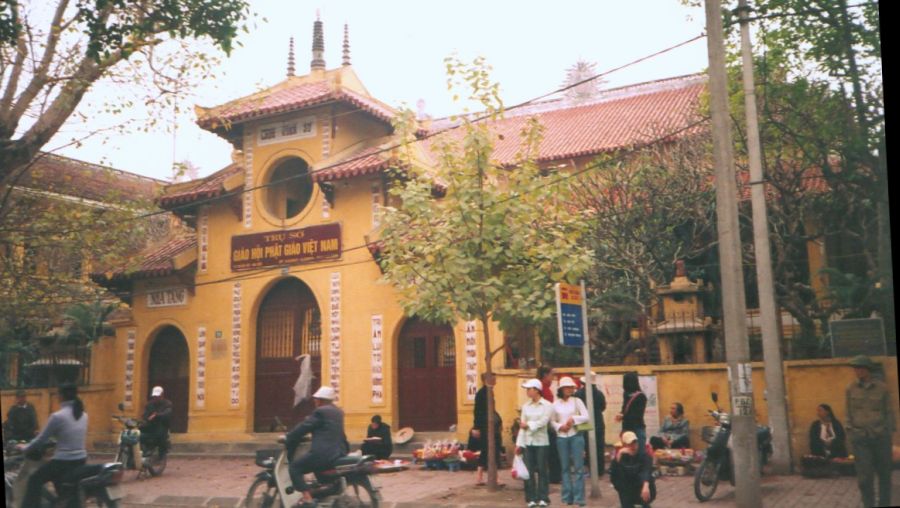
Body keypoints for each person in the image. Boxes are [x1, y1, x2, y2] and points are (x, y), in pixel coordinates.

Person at [18, 383, 88, 508]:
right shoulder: (84, 415)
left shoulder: (57, 416)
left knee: (34, 480)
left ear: (61, 396)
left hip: (63, 462)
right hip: (81, 460)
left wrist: (24, 448)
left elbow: (41, 439)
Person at [285, 385, 349, 507]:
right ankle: (320, 495)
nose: (315, 401)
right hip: (338, 452)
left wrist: (290, 436)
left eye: (316, 399)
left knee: (294, 468)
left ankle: (307, 498)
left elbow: (304, 427)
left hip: (323, 454)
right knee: (318, 473)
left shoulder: (320, 411)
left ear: (321, 400)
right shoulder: (338, 412)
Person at [845, 355, 894, 508]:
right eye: (855, 368)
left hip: (880, 438)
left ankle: (884, 503)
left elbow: (889, 413)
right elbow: (848, 413)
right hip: (861, 439)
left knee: (884, 475)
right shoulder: (850, 389)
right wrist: (851, 431)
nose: (857, 371)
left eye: (860, 368)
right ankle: (868, 504)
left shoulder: (882, 388)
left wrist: (886, 432)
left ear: (868, 370)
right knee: (864, 478)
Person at [552, 376, 589, 507]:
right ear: (561, 389)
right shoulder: (555, 404)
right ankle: (567, 497)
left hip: (576, 436)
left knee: (579, 468)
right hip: (561, 437)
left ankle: (579, 498)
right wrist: (559, 426)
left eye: (571, 387)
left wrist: (573, 419)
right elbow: (552, 420)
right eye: (566, 387)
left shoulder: (577, 401)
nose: (569, 389)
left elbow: (586, 416)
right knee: (565, 468)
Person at [516, 378, 553, 508]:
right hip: (528, 441)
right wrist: (519, 444)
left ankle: (543, 497)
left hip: (541, 441)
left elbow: (544, 422)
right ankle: (530, 498)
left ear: (537, 390)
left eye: (529, 389)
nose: (527, 392)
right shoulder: (526, 406)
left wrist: (529, 425)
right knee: (528, 471)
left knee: (542, 470)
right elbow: (521, 425)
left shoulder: (547, 405)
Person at [471, 372, 503, 486]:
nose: (496, 381)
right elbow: (477, 411)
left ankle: (487, 477)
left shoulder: (489, 392)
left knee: (491, 451)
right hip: (485, 426)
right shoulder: (481, 393)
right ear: (487, 380)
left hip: (491, 426)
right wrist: (476, 427)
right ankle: (482, 477)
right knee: (488, 451)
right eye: (494, 379)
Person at [610, 431, 655, 508]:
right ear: (624, 445)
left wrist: (645, 485)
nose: (633, 446)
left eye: (635, 443)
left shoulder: (644, 455)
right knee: (620, 479)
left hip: (642, 488)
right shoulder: (621, 456)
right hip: (627, 490)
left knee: (648, 481)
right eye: (629, 444)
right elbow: (614, 476)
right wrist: (619, 455)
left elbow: (646, 470)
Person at [576, 372, 606, 476]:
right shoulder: (599, 394)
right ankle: (600, 470)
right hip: (598, 422)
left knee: (586, 446)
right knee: (599, 446)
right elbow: (603, 407)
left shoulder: (578, 394)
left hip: (584, 422)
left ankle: (588, 468)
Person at [537, 364, 561, 484]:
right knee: (552, 451)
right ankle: (554, 476)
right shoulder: (542, 389)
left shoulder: (545, 388)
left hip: (547, 422)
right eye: (551, 375)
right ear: (545, 375)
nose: (553, 377)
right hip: (546, 423)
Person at [615, 372, 648, 456]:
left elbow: (638, 415)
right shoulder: (626, 394)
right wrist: (620, 414)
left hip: (637, 428)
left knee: (639, 453)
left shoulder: (641, 396)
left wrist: (624, 416)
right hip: (626, 428)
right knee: (626, 453)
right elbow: (624, 409)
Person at [141, 385, 173, 457]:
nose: (156, 398)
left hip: (162, 425)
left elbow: (167, 413)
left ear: (162, 395)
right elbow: (145, 414)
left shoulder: (167, 404)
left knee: (160, 434)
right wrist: (147, 418)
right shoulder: (149, 404)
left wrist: (157, 415)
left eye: (158, 396)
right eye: (155, 396)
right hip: (151, 425)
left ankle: (161, 455)